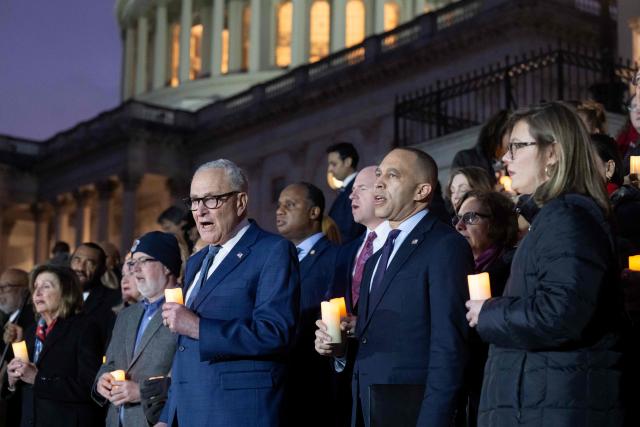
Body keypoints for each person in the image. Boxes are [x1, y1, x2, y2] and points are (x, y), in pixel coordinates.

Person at [466, 102, 625, 426]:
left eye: (517, 147)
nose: (505, 159)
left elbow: (561, 314)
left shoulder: (568, 218)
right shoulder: (556, 217)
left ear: (552, 153)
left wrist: (489, 312)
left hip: (558, 407)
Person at [318, 148, 474, 426]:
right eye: (379, 174)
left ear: (421, 190)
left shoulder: (445, 246)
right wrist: (339, 350)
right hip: (366, 409)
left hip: (414, 411)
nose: (379, 182)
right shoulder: (375, 257)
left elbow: (449, 347)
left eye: (392, 175)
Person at [158, 159, 299, 427]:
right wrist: (168, 415)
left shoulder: (272, 250)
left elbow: (275, 332)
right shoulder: (197, 261)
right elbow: (183, 349)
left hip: (238, 413)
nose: (199, 211)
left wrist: (199, 327)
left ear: (240, 202)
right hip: (188, 412)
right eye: (194, 201)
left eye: (211, 200)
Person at [319, 165, 391, 427]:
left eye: (361, 188)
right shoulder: (346, 252)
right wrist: (331, 343)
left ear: (383, 192)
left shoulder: (397, 247)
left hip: (389, 384)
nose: (351, 196)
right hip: (347, 383)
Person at [93, 231, 180, 427]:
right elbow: (110, 362)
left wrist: (142, 391)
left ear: (166, 266)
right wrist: (102, 381)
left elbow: (187, 376)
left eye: (143, 261)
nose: (135, 270)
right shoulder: (126, 315)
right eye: (133, 263)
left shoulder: (184, 310)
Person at [3, 265, 104, 427]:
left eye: (46, 286)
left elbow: (90, 386)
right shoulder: (30, 331)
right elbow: (21, 390)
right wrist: (12, 381)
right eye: (35, 287)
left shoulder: (84, 328)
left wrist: (38, 379)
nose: (37, 293)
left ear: (66, 292)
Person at [452, 190, 518, 426]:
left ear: (496, 224)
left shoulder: (512, 266)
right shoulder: (456, 270)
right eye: (457, 218)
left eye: (470, 218)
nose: (459, 225)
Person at [276, 182, 337, 427]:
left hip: (316, 383)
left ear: (314, 212)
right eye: (279, 205)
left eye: (290, 205)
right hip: (283, 384)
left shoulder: (334, 257)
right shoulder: (278, 260)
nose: (279, 211)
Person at [70, 243, 121, 349]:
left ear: (103, 270)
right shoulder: (55, 296)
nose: (80, 267)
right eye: (77, 260)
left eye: (90, 263)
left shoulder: (114, 300)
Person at [0, 269, 34, 427]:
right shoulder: (10, 318)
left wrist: (17, 344)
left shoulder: (30, 320)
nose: (0, 293)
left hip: (19, 407)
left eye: (5, 287)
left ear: (25, 291)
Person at [451, 110, 510, 184]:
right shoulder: (465, 159)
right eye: (511, 133)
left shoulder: (515, 162)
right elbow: (455, 192)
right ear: (499, 132)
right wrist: (493, 193)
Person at [327, 142, 366, 243]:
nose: (330, 169)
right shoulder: (345, 189)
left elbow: (351, 230)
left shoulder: (357, 188)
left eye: (334, 164)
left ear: (348, 162)